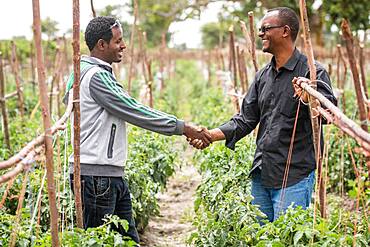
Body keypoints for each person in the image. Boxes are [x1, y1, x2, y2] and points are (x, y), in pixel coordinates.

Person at [64, 16, 211, 244]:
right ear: (101, 45)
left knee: (129, 239)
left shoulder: (85, 71)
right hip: (96, 176)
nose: (124, 46)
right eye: (118, 41)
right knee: (100, 240)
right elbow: (135, 110)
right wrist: (183, 128)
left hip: (106, 174)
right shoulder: (95, 77)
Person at [189, 7, 337, 222]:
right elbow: (246, 119)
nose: (260, 34)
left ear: (285, 31)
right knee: (262, 237)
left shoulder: (312, 72)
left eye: (265, 28)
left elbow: (327, 114)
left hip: (294, 175)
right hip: (262, 171)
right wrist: (209, 135)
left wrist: (307, 97)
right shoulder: (263, 76)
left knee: (286, 237)